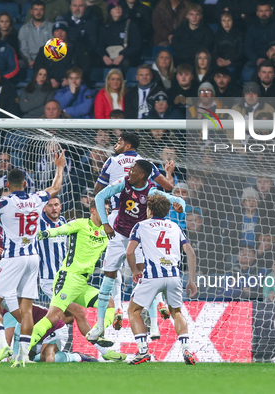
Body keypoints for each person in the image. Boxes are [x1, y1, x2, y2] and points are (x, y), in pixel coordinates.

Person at [0, 151, 65, 368]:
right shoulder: (37, 198)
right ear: (26, 183)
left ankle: (2, 346)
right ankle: (23, 356)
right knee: (26, 308)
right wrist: (59, 167)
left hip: (12, 258)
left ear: (8, 184)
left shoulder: (4, 202)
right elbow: (55, 187)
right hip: (33, 258)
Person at [88, 160, 185, 344]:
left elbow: (177, 200)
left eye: (133, 170)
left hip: (137, 239)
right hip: (116, 236)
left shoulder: (151, 191)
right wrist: (106, 224)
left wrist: (181, 207)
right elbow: (100, 196)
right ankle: (99, 326)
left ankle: (153, 324)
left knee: (143, 278)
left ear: (141, 175)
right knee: (108, 279)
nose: (129, 172)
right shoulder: (123, 183)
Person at [92, 132, 174, 331]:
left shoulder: (112, 161)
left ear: (127, 145)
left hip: (116, 220)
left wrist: (107, 209)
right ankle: (155, 320)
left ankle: (114, 312)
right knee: (143, 269)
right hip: (141, 221)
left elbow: (97, 190)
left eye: (119, 142)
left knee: (111, 270)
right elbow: (168, 188)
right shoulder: (146, 164)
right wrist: (168, 172)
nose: (115, 144)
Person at [29, 200, 126, 362]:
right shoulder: (80, 224)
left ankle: (99, 339)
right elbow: (63, 230)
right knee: (54, 316)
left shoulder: (105, 232)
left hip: (81, 283)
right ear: (94, 210)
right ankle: (21, 351)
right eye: (104, 210)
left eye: (108, 211)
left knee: (109, 305)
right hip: (65, 278)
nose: (106, 214)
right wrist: (47, 233)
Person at [126, 194, 198, 365]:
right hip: (173, 276)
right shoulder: (175, 226)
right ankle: (186, 350)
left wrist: (135, 269)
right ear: (166, 211)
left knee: (133, 311)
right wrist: (192, 281)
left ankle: (143, 351)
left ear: (149, 210)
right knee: (177, 312)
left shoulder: (140, 226)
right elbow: (191, 253)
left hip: (152, 276)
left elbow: (129, 252)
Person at [1, 305, 98, 363]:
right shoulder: (5, 311)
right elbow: (17, 333)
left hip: (55, 330)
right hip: (35, 339)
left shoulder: (10, 311)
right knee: (20, 358)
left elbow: (6, 341)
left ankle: (77, 357)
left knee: (47, 358)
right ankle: (32, 356)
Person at [33, 19, 92, 90]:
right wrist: (48, 79)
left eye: (62, 30)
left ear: (67, 32)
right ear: (53, 34)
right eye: (57, 31)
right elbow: (37, 67)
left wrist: (71, 80)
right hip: (49, 87)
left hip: (73, 87)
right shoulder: (44, 50)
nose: (59, 33)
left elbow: (86, 67)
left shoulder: (77, 48)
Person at [97, 1, 141, 74]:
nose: (117, 9)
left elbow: (136, 46)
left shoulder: (130, 25)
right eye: (114, 7)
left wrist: (122, 55)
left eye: (119, 7)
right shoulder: (104, 27)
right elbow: (99, 46)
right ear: (110, 11)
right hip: (108, 56)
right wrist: (104, 56)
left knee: (126, 63)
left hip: (125, 56)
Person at [37, 196, 67, 299]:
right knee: (70, 308)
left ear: (60, 207)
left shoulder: (63, 221)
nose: (53, 208)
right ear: (43, 208)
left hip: (65, 277)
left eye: (56, 205)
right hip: (49, 278)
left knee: (63, 313)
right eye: (50, 205)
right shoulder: (37, 224)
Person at [244, 1, 275, 67]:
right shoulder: (252, 27)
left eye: (266, 11)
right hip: (256, 61)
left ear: (271, 11)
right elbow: (248, 47)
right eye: (261, 11)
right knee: (246, 71)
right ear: (257, 13)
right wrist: (257, 59)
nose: (264, 13)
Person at [19, 1, 53, 70]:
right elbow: (23, 49)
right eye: (36, 9)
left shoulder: (51, 27)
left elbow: (52, 47)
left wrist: (41, 62)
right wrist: (29, 60)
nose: (38, 12)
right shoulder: (24, 29)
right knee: (19, 63)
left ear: (44, 11)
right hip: (30, 61)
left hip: (46, 60)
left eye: (41, 9)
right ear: (31, 12)